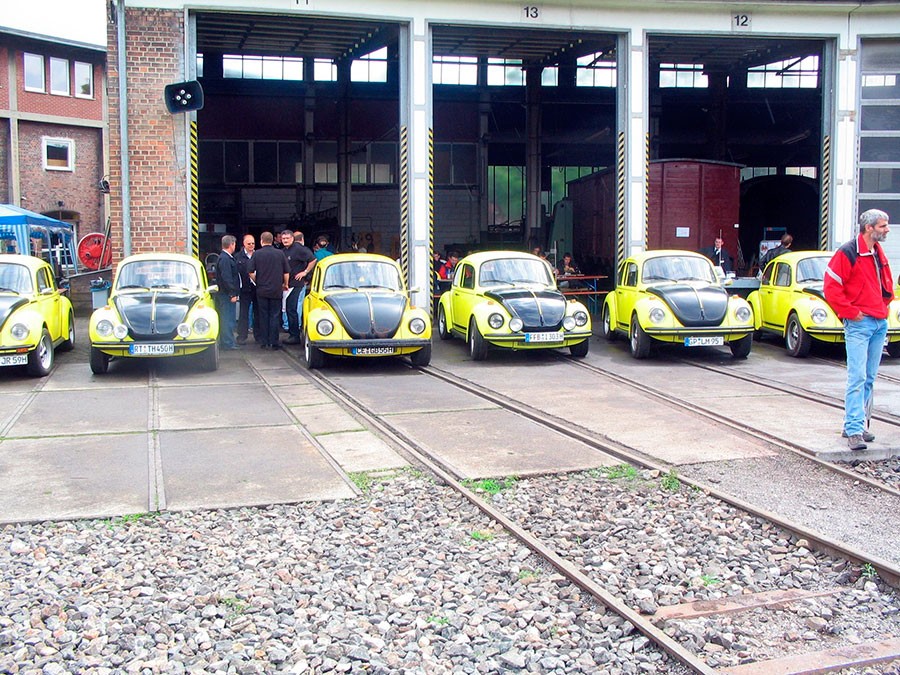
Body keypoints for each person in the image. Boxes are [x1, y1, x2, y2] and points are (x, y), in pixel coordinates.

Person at [823, 209, 893, 451]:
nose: (887, 229)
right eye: (883, 226)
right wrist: (850, 312)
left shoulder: (877, 252)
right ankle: (854, 430)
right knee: (858, 377)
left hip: (878, 321)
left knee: (869, 377)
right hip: (860, 323)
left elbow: (885, 284)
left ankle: (855, 424)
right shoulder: (848, 252)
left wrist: (884, 307)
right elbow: (831, 287)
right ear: (869, 228)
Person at [249, 231, 290, 350]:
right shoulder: (280, 253)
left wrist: (257, 281)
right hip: (276, 290)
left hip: (261, 290)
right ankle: (274, 342)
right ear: (272, 241)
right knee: (274, 315)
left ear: (261, 241)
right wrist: (285, 284)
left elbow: (250, 271)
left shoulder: (257, 254)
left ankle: (264, 341)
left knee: (263, 315)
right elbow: (286, 272)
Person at [280, 229, 316, 345]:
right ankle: (292, 333)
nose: (285, 240)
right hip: (286, 285)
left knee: (292, 309)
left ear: (292, 238)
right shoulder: (283, 251)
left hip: (296, 284)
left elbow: (313, 259)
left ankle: (295, 335)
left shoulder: (299, 249)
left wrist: (305, 272)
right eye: (283, 238)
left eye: (287, 238)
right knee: (287, 309)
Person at [214, 234, 241, 350]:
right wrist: (232, 293)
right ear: (232, 244)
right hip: (226, 295)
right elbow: (226, 277)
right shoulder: (225, 259)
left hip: (226, 294)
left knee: (228, 318)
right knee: (227, 319)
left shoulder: (225, 257)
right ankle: (227, 343)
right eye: (234, 244)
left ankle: (228, 341)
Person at [234, 234, 260, 345]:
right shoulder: (237, 257)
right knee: (243, 313)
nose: (251, 245)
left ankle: (259, 336)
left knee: (258, 312)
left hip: (257, 288)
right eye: (249, 243)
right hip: (244, 288)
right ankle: (242, 336)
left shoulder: (258, 255)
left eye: (253, 243)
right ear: (244, 244)